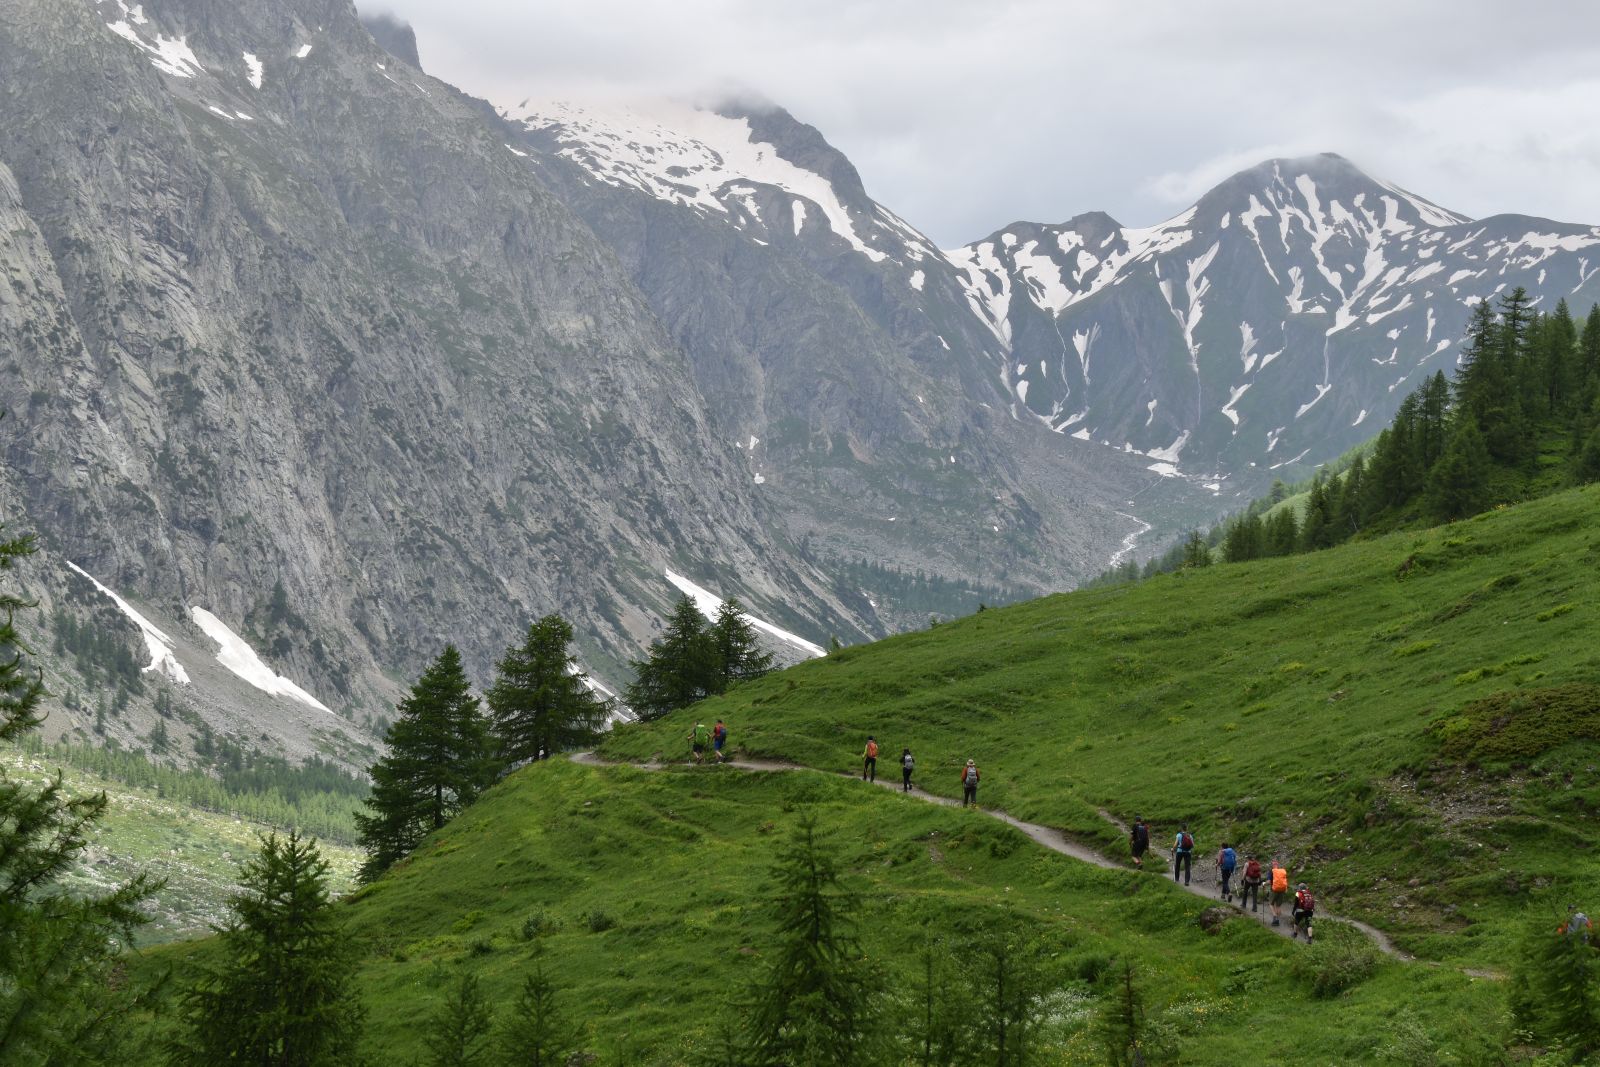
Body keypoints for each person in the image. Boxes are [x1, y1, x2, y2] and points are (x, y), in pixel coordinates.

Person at [1269, 860, 1290, 927]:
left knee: (1271, 904)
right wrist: (1285, 889)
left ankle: (1275, 916)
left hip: (1274, 890)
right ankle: (1277, 920)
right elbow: (1285, 881)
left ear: (1272, 865)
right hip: (1281, 890)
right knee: (1278, 905)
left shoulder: (1272, 871)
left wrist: (1264, 883)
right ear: (1277, 865)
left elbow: (1269, 881)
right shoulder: (1281, 871)